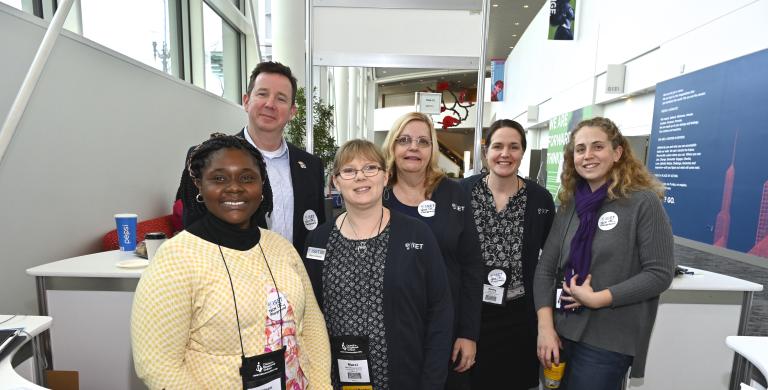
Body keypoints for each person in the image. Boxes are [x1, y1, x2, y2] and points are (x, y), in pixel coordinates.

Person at [132, 134, 331, 389]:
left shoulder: (281, 248)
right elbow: (158, 365)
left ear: (262, 186)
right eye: (219, 178)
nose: (234, 187)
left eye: (247, 178)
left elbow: (312, 325)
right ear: (200, 186)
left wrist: (321, 385)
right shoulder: (175, 259)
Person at [533, 117, 675, 390]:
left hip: (608, 339)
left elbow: (659, 274)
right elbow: (546, 269)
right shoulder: (569, 204)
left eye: (597, 147)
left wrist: (598, 299)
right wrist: (545, 327)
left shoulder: (642, 202)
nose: (588, 156)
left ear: (617, 152)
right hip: (561, 332)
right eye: (580, 149)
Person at [302, 139, 454, 389]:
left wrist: (432, 382)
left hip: (406, 379)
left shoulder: (417, 234)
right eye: (349, 171)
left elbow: (440, 311)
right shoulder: (318, 240)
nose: (361, 177)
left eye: (370, 168)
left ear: (385, 177)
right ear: (336, 182)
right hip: (334, 380)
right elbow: (309, 315)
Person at [177, 61, 325, 252]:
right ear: (246, 101)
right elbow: (193, 229)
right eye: (262, 94)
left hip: (294, 276)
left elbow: (316, 232)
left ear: (292, 112)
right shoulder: (205, 158)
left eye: (281, 98)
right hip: (229, 274)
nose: (270, 104)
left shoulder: (311, 166)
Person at [381, 112, 483, 389]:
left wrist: (468, 332)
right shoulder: (378, 195)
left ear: (432, 150)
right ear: (393, 146)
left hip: (447, 328)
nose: (413, 147)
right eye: (405, 140)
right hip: (392, 326)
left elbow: (473, 266)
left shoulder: (454, 194)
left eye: (423, 141)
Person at [460, 119, 555, 389]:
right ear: (485, 151)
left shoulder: (540, 200)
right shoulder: (462, 192)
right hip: (469, 316)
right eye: (498, 146)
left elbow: (549, 259)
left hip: (519, 317)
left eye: (514, 147)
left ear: (522, 152)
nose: (505, 154)